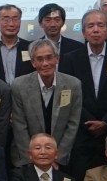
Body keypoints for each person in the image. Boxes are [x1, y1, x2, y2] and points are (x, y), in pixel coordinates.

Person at [62, 10, 107, 172]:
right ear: (83, 32)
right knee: (82, 178)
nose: (95, 30)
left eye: (100, 25)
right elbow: (68, 95)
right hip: (82, 130)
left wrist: (106, 122)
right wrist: (89, 121)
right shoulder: (70, 58)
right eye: (90, 26)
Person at [9, 40, 84, 170]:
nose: (45, 63)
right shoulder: (19, 86)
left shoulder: (73, 85)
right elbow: (20, 126)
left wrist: (57, 158)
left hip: (61, 160)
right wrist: (34, 160)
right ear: (33, 62)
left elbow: (73, 124)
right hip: (28, 160)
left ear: (57, 59)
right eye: (39, 59)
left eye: (49, 57)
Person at [0, 4, 35, 82]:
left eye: (15, 19)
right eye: (6, 20)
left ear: (20, 22)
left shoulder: (30, 47)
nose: (11, 24)